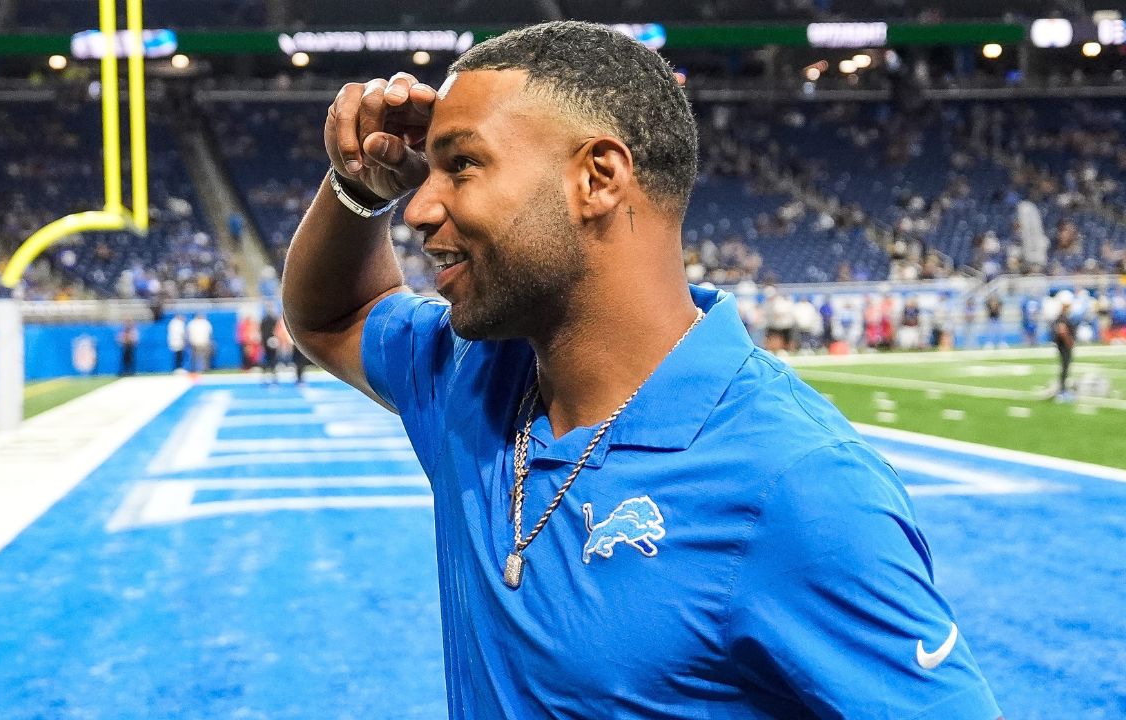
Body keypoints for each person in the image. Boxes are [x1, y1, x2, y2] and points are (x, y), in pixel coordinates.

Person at [283, 21, 1001, 719]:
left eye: (462, 164)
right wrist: (356, 190)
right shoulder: (475, 377)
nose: (420, 206)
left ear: (597, 178)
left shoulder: (794, 483)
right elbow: (331, 315)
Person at [1052, 290, 1076, 402]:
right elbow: (1062, 331)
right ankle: (1062, 391)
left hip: (1063, 345)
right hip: (1064, 346)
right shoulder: (1062, 317)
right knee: (1065, 367)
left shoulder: (1062, 316)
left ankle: (1063, 389)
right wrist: (1069, 342)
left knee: (1065, 368)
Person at [260, 304, 281, 385]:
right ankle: (270, 377)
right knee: (271, 360)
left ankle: (269, 377)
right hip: (271, 341)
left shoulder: (266, 320)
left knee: (269, 360)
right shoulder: (270, 320)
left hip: (269, 341)